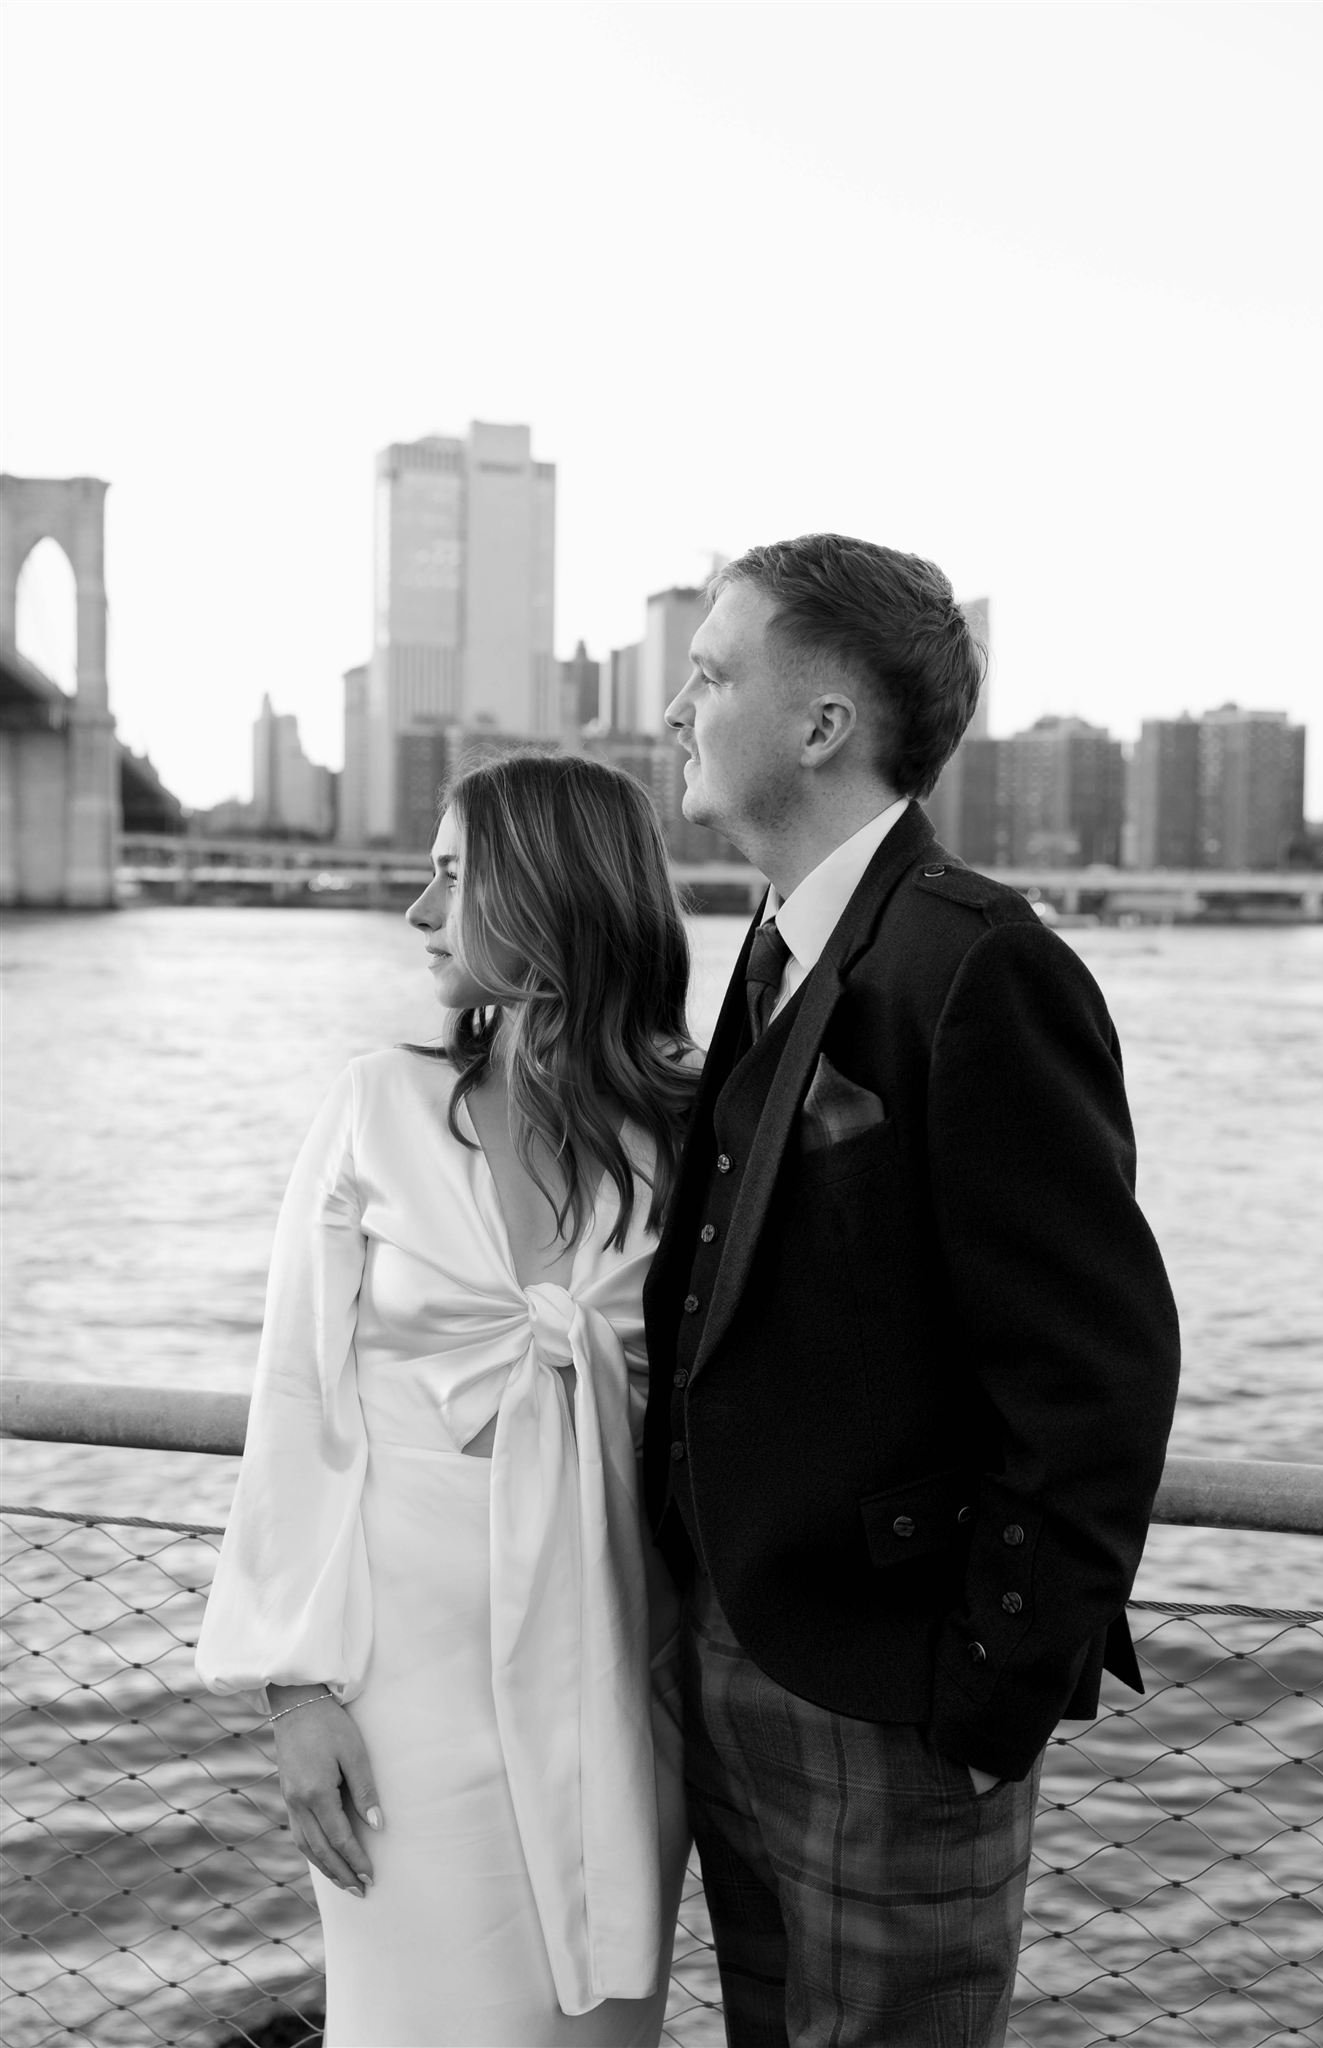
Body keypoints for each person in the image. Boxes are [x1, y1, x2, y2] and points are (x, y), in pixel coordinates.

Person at [642, 534, 1181, 2048]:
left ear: (821, 725)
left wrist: (980, 1700)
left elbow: (1095, 1374)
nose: (674, 710)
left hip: (888, 1707)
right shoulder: (771, 944)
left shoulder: (976, 966)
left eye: (708, 674)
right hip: (734, 1645)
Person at [197, 751, 697, 2048]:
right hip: (397, 1709)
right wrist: (297, 1695)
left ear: (545, 899)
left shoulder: (696, 1144)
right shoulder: (378, 1109)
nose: (419, 918)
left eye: (450, 878)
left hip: (615, 1683)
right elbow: (298, 1408)